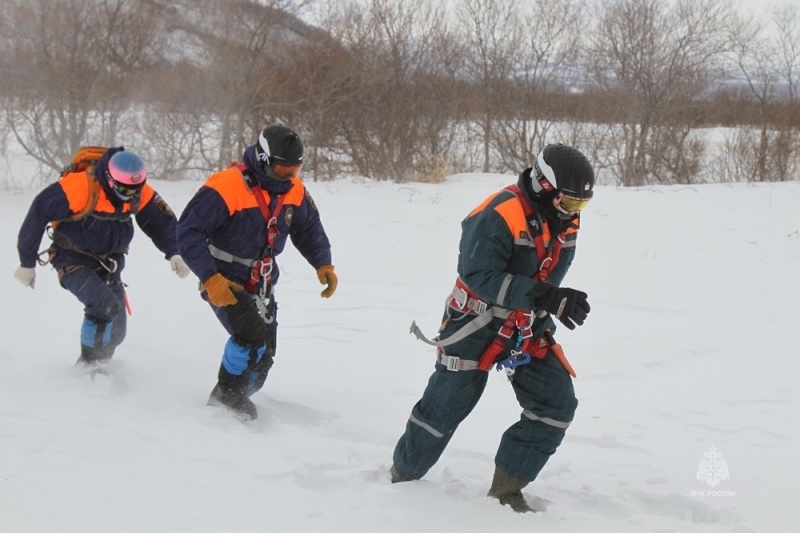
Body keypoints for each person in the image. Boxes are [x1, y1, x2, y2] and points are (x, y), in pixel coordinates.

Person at [391, 143, 595, 513]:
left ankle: (507, 491)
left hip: (527, 324)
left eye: (581, 205)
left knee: (556, 404)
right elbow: (479, 275)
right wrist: (544, 296)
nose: (573, 213)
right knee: (444, 409)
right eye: (569, 203)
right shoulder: (497, 214)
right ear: (543, 186)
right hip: (475, 322)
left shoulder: (567, 218)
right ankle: (401, 478)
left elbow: (547, 270)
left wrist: (552, 302)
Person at [177, 124, 336, 421]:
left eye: (295, 170)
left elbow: (309, 228)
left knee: (265, 353)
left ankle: (237, 399)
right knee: (250, 336)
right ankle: (225, 398)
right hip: (224, 278)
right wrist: (210, 278)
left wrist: (322, 263)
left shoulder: (294, 190)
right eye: (281, 169)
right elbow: (188, 232)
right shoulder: (226, 185)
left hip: (262, 283)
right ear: (263, 160)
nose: (289, 176)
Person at [14, 147, 190, 369]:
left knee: (117, 331)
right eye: (124, 189)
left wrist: (175, 251)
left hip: (109, 265)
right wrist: (27, 262)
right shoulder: (79, 187)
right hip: (72, 260)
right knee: (104, 307)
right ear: (109, 178)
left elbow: (163, 224)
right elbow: (38, 214)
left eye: (135, 190)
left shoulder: (138, 191)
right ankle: (88, 369)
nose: (130, 195)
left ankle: (100, 366)